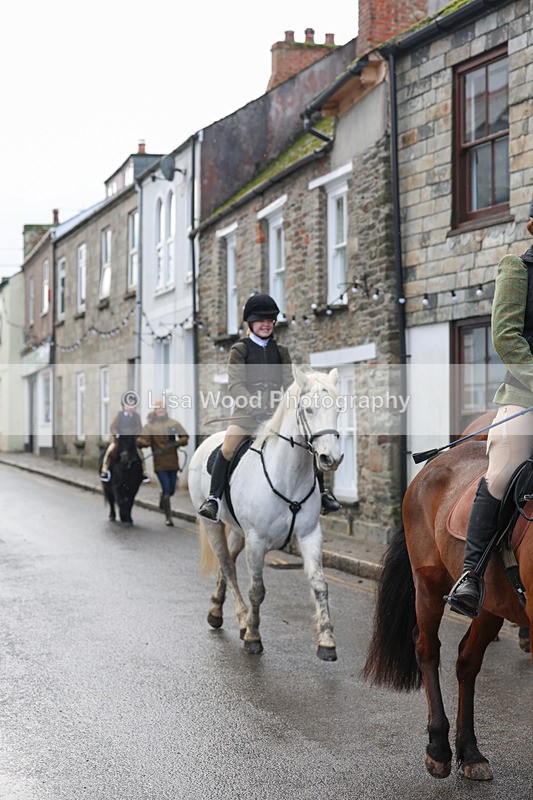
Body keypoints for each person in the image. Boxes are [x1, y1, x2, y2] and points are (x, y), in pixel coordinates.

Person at [445, 201, 533, 618]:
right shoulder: (517, 269)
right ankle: (471, 575)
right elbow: (505, 337)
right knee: (501, 472)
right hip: (526, 395)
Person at [198, 292, 341, 521]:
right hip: (247, 416)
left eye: (269, 320)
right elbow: (235, 385)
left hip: (277, 416)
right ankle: (214, 498)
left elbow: (291, 384)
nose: (265, 325)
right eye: (260, 321)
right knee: (227, 449)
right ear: (250, 323)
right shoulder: (240, 350)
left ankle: (322, 493)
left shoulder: (280, 351)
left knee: (308, 443)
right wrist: (252, 404)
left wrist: (287, 405)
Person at [137, 399, 189, 526]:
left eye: (162, 408)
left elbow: (185, 437)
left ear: (166, 410)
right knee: (166, 489)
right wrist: (138, 442)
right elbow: (144, 441)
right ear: (155, 411)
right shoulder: (150, 426)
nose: (160, 410)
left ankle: (163, 498)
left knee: (172, 490)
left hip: (173, 461)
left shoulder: (173, 423)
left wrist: (178, 442)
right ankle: (168, 517)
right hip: (159, 463)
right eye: (158, 408)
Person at [100, 400, 150, 483]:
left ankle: (143, 472)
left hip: (131, 440)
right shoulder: (119, 416)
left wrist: (135, 435)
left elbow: (139, 428)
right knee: (109, 451)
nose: (130, 407)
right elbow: (113, 427)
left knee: (140, 453)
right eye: (127, 405)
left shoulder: (136, 416)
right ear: (124, 406)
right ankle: (104, 470)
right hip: (120, 440)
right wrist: (116, 434)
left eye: (131, 405)